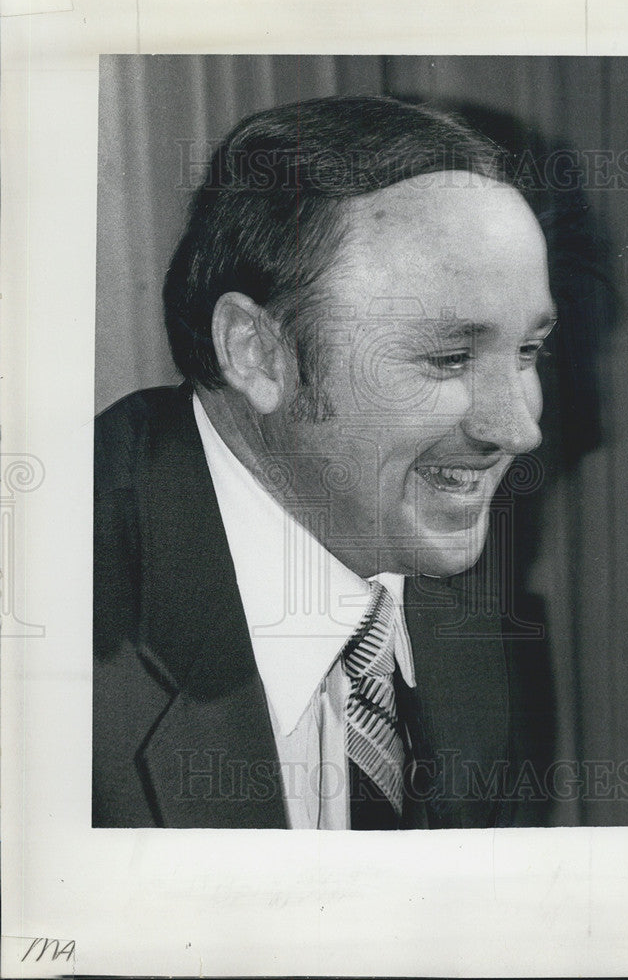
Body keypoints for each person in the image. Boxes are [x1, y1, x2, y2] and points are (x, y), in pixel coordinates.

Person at [93, 95, 558, 830]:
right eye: (447, 357)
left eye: (527, 350)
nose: (518, 427)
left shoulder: (458, 616)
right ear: (257, 352)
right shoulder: (54, 635)